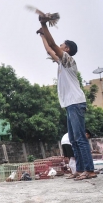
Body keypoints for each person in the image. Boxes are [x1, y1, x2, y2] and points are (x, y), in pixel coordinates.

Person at [37, 19, 95, 180]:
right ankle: (79, 169)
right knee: (74, 140)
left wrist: (44, 25)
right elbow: (50, 50)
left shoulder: (68, 60)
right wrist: (42, 35)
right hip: (70, 104)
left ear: (67, 49)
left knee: (80, 138)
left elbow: (53, 44)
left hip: (76, 103)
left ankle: (89, 170)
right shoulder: (62, 64)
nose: (60, 47)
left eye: (62, 45)